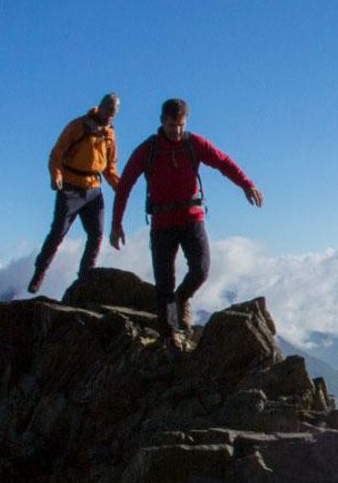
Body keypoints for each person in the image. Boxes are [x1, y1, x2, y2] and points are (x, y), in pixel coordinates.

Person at [111, 97, 263, 333]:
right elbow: (125, 185)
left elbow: (223, 162)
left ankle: (181, 300)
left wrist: (246, 184)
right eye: (173, 125)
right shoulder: (148, 150)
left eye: (181, 125)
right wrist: (116, 224)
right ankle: (170, 336)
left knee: (201, 270)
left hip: (192, 218)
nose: (177, 131)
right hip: (162, 223)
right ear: (162, 122)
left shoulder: (194, 144)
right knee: (164, 283)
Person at [29, 93, 121, 294]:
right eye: (107, 111)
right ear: (101, 107)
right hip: (70, 187)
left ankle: (85, 278)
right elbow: (56, 154)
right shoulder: (78, 126)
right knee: (58, 233)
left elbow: (109, 168)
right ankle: (40, 272)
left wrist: (121, 188)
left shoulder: (109, 135)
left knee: (96, 234)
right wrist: (56, 176)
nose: (109, 117)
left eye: (113, 114)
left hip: (94, 190)